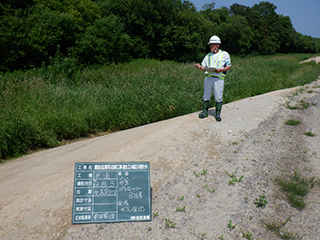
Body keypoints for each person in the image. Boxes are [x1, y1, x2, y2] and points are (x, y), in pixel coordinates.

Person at [195, 35, 231, 122]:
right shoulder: (208, 56)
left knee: (218, 96)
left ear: (218, 45)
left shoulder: (224, 54)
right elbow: (204, 66)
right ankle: (205, 112)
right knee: (206, 96)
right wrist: (199, 66)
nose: (211, 46)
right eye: (210, 44)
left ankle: (217, 114)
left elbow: (228, 66)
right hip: (208, 78)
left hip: (218, 79)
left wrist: (220, 70)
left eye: (213, 44)